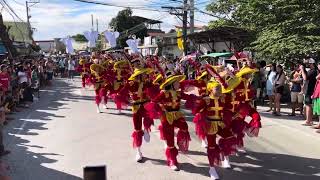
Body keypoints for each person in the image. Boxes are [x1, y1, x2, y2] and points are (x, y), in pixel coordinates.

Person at [301, 58, 317, 126]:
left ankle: (308, 121)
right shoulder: (311, 70)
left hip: (310, 90)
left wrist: (302, 70)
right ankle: (309, 120)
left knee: (308, 105)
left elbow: (305, 78)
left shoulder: (313, 71)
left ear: (311, 64)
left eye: (308, 63)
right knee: (308, 105)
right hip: (309, 89)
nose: (307, 65)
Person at [311, 62, 320, 133]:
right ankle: (319, 124)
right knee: (319, 110)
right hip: (317, 93)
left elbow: (317, 78)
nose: (318, 67)